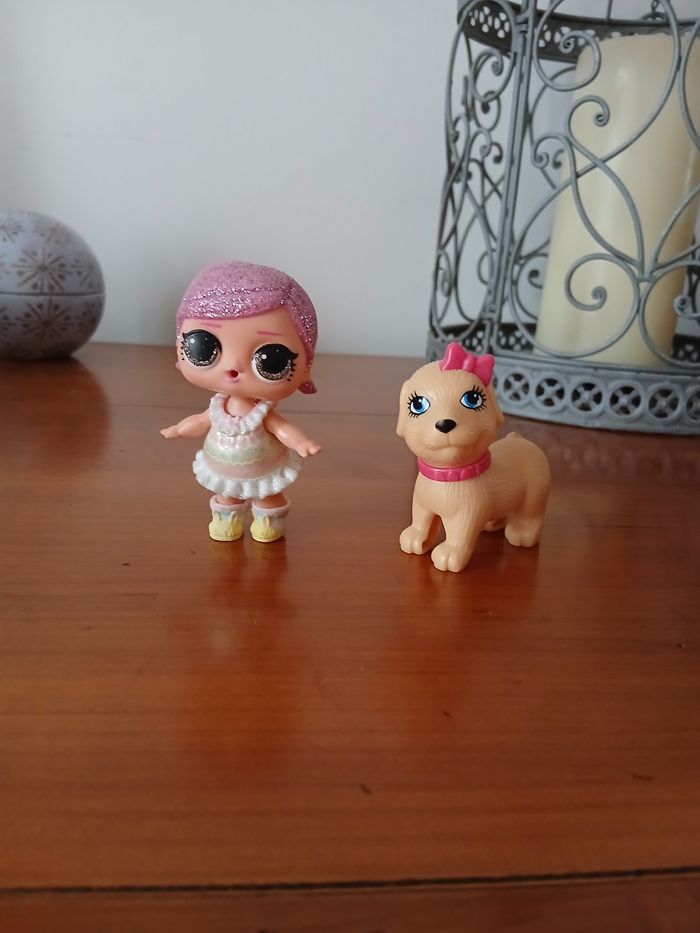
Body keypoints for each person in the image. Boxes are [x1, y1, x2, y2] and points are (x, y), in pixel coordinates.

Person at [161, 261, 321, 542]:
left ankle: (269, 523)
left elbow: (281, 428)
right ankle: (226, 521)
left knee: (268, 495)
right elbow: (200, 421)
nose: (233, 367)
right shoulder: (218, 409)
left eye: (271, 360)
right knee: (227, 494)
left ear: (305, 366)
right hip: (222, 467)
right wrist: (179, 429)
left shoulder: (261, 413)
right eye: (204, 347)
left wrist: (301, 443)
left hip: (264, 468)